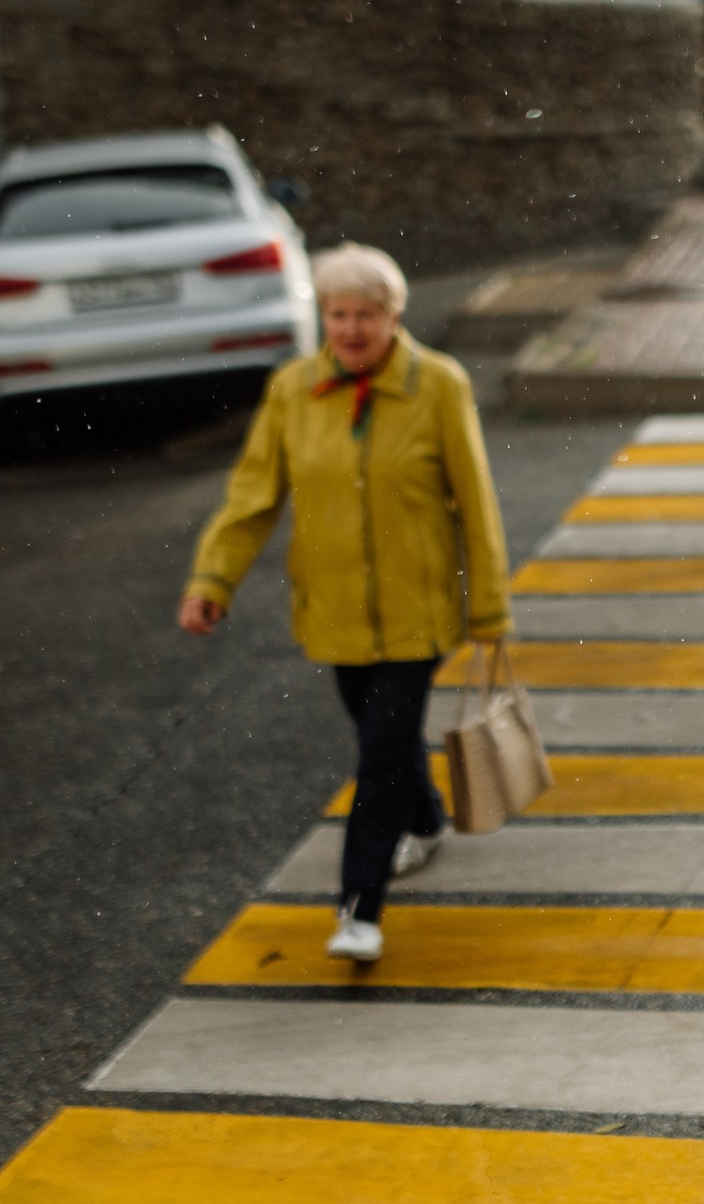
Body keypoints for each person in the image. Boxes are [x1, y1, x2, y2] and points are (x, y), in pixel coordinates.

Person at [178, 241, 511, 964]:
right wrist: (212, 581)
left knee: (381, 749)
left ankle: (359, 907)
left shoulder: (440, 386)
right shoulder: (294, 390)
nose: (352, 330)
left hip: (417, 614)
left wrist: (488, 610)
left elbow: (476, 506)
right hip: (334, 613)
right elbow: (252, 497)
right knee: (383, 740)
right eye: (338, 314)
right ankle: (425, 822)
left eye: (367, 315)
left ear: (395, 316)